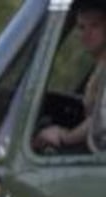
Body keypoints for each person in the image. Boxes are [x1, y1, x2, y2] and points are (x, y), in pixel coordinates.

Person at [33, 0, 106, 153]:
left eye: (94, 26)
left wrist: (64, 136)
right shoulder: (99, 68)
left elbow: (100, 120)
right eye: (81, 27)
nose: (86, 34)